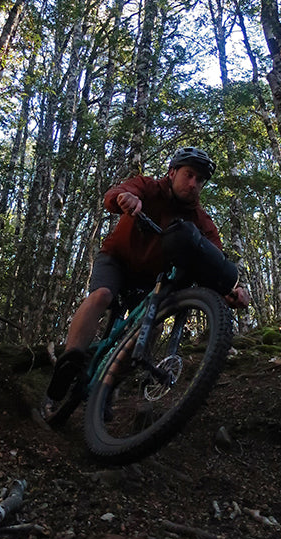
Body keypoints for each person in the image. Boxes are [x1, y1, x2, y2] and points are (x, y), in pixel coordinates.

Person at [45, 146, 250, 404]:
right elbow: (115, 194)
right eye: (188, 175)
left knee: (152, 328)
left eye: (200, 180)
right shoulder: (149, 187)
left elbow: (215, 260)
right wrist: (126, 199)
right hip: (116, 260)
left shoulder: (202, 222)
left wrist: (232, 290)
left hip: (151, 281)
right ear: (172, 172)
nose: (193, 183)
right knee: (102, 295)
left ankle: (106, 390)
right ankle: (69, 361)